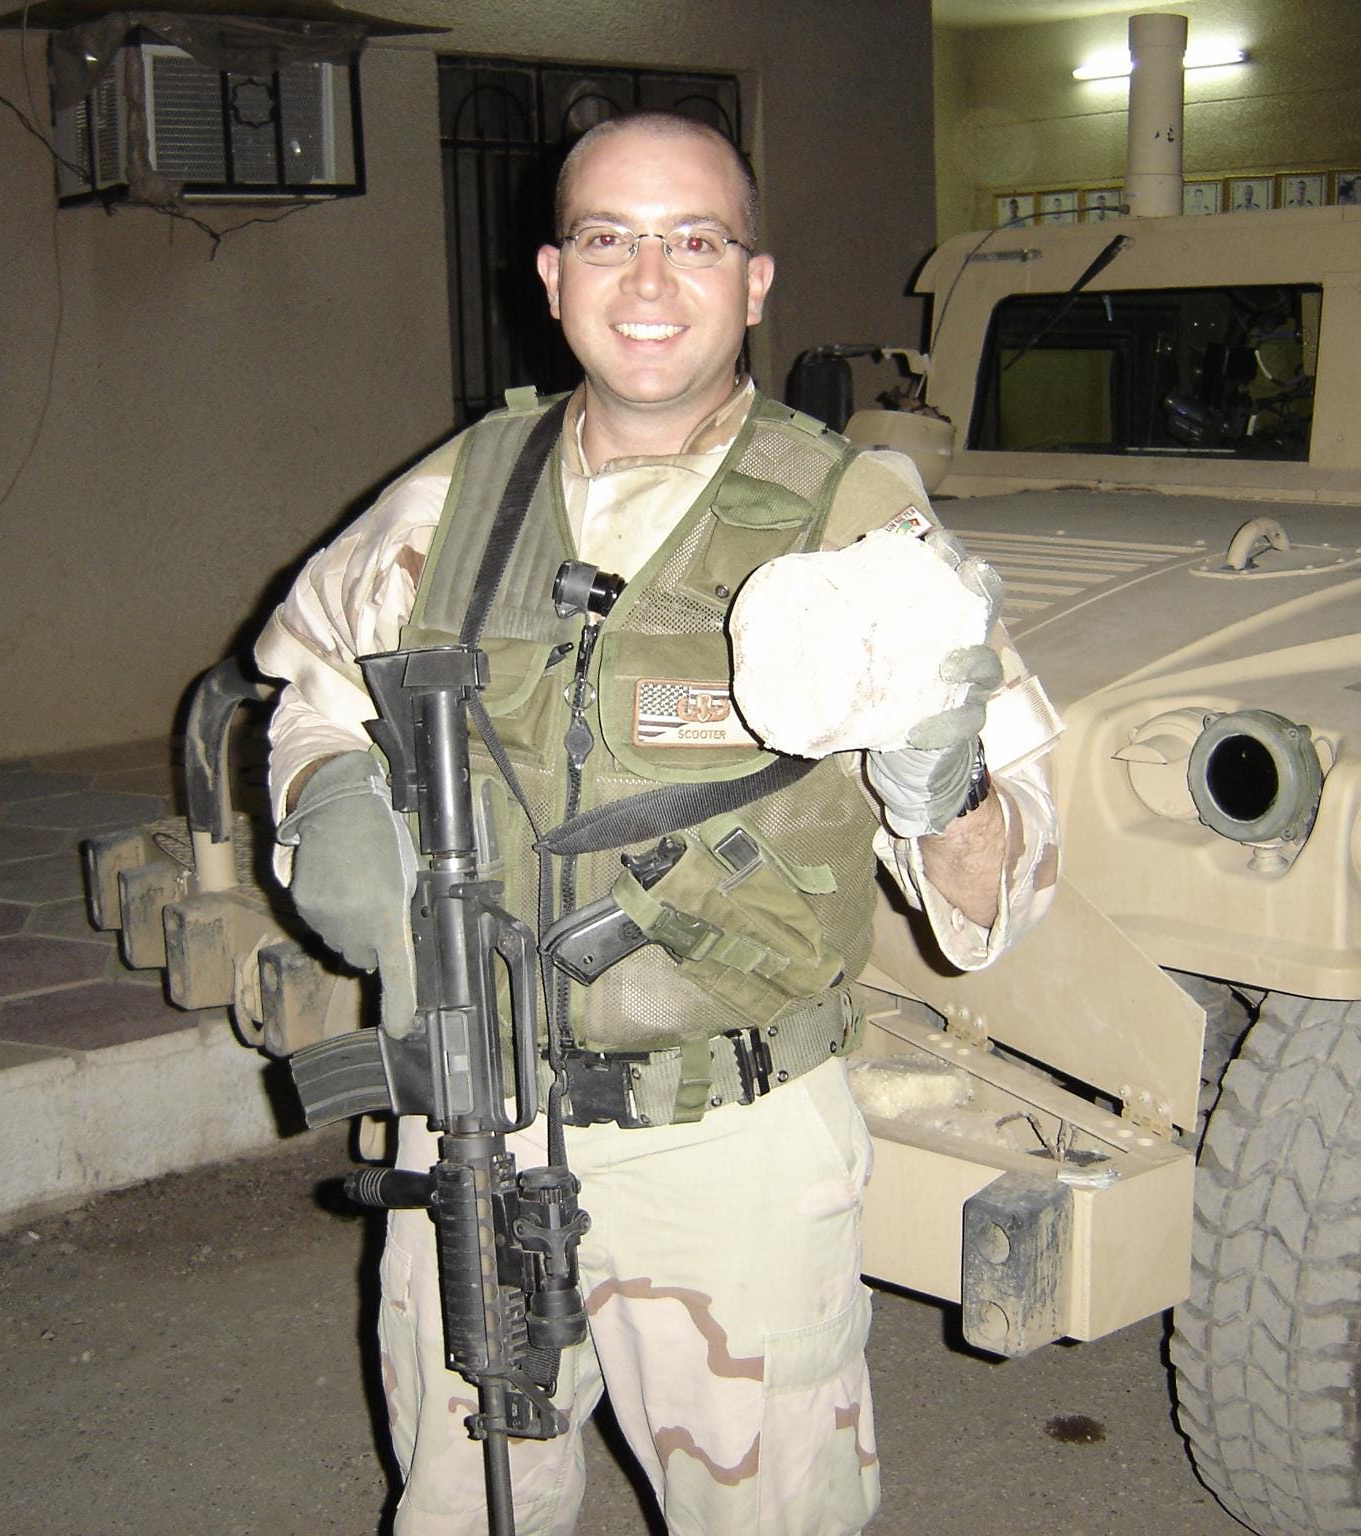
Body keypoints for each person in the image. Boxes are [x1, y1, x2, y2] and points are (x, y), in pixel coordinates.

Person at [255, 112, 1061, 1536]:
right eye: (611, 240)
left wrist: (950, 784)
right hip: (470, 1114)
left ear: (756, 282)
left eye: (693, 241)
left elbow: (1000, 885)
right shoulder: (451, 500)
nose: (648, 281)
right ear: (552, 278)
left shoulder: (856, 523)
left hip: (730, 1147)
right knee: (465, 1508)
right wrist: (326, 801)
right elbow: (306, 681)